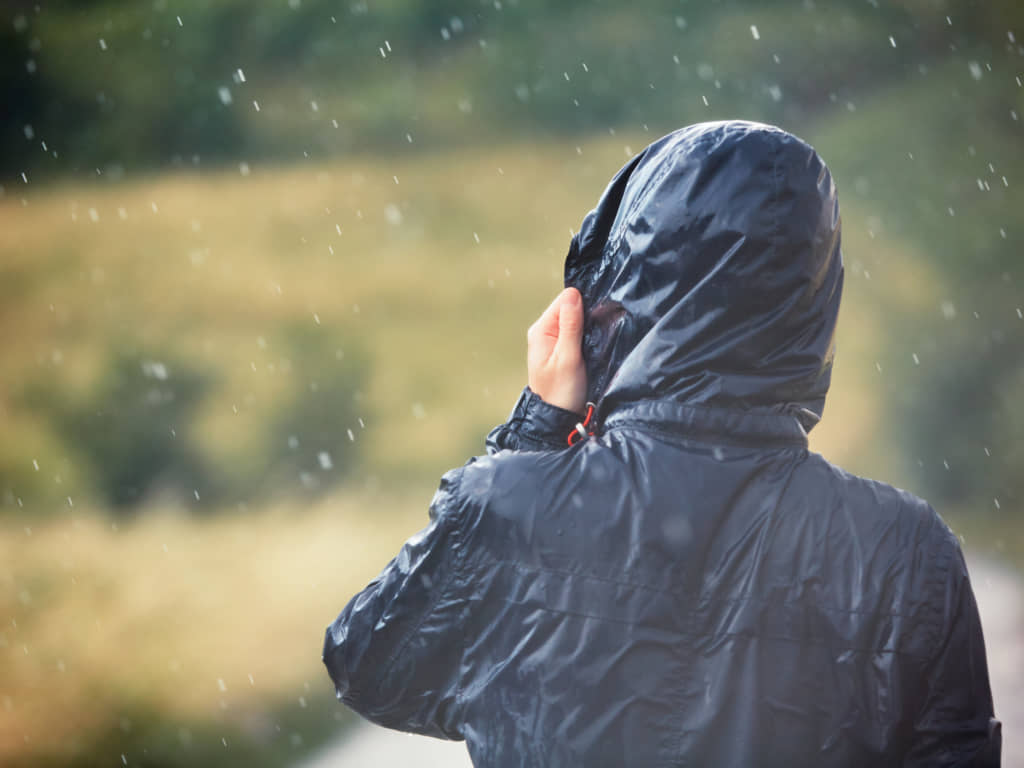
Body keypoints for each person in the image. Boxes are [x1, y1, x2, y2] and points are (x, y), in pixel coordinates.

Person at [322, 120, 1001, 766]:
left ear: (609, 300)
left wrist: (537, 424)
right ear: (815, 302)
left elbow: (373, 671)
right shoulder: (907, 549)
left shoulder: (508, 507)